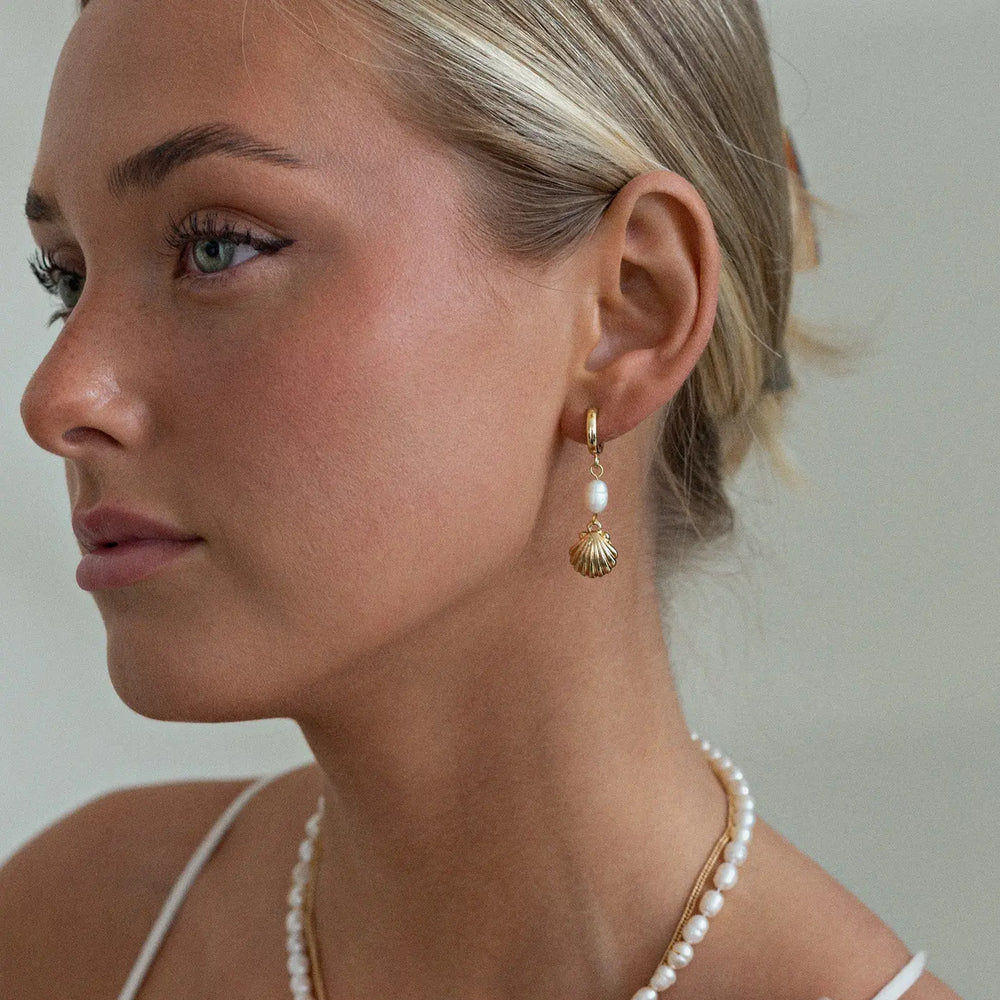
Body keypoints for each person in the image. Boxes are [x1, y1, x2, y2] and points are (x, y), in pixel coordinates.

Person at [0, 0, 962, 997]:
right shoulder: (71, 938)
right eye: (66, 279)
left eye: (218, 247)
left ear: (628, 310)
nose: (57, 397)